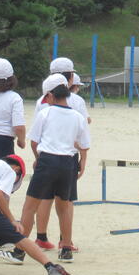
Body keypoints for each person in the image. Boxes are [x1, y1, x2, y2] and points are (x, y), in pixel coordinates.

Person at [0, 74, 89, 265]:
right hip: (68, 162)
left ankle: (19, 251)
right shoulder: (77, 116)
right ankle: (66, 249)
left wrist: (38, 159)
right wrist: (82, 164)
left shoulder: (45, 114)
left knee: (30, 206)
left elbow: (34, 142)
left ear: (50, 95)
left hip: (48, 160)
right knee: (64, 207)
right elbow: (84, 145)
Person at [32, 58, 88, 252]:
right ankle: (66, 241)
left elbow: (37, 135)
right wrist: (83, 160)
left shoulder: (42, 100)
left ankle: (41, 236)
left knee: (44, 197)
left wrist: (38, 157)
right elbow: (82, 132)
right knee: (66, 201)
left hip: (46, 154)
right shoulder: (76, 101)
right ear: (70, 77)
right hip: (68, 157)